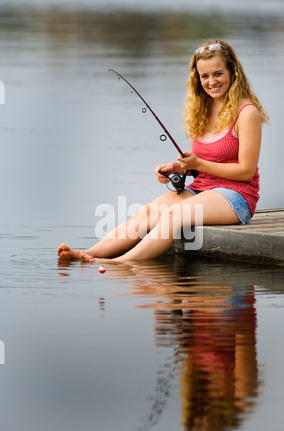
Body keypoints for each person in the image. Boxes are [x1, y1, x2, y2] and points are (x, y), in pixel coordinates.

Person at [57, 39, 269, 263]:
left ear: (233, 73)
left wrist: (198, 164)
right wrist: (180, 168)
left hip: (237, 198)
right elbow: (204, 163)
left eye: (218, 74)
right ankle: (88, 253)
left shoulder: (246, 113)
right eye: (204, 76)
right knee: (146, 213)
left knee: (173, 215)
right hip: (202, 189)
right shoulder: (202, 109)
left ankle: (120, 263)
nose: (211, 82)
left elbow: (245, 171)